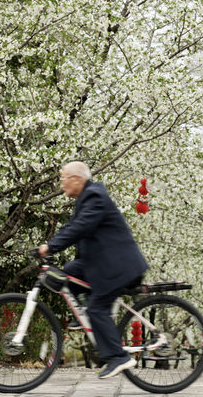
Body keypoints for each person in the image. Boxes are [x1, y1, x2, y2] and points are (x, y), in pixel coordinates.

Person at [38, 161, 148, 379]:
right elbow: (72, 227)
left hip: (117, 267)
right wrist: (52, 244)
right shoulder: (86, 198)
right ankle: (82, 316)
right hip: (102, 263)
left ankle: (119, 357)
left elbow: (80, 227)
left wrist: (52, 246)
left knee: (97, 308)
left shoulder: (94, 196)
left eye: (63, 179)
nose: (61, 185)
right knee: (68, 271)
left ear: (77, 179)